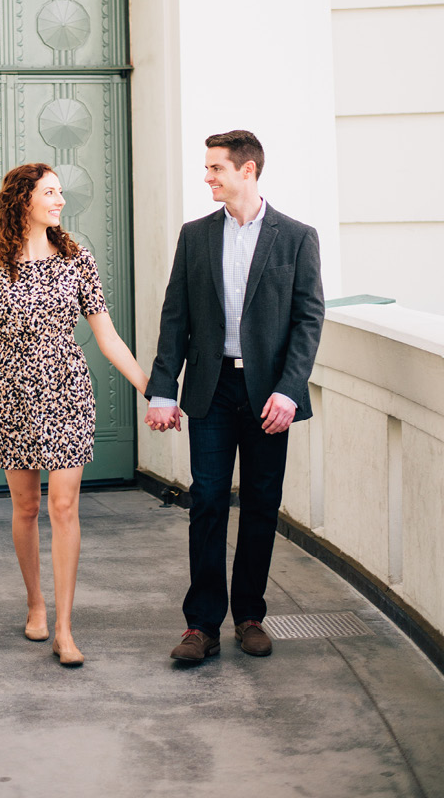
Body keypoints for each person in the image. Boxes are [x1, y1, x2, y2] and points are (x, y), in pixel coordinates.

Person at [145, 130, 324, 664]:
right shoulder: (196, 236)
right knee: (206, 500)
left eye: (215, 168)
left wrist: (291, 390)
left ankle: (249, 615)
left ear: (247, 171)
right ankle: (201, 625)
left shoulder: (296, 236)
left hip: (270, 393)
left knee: (262, 504)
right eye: (207, 168)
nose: (207, 177)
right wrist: (162, 389)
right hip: (213, 387)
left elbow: (308, 319)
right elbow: (175, 314)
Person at [0, 162, 149, 667]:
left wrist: (147, 385)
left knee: (64, 508)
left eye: (61, 192)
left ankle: (65, 630)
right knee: (25, 508)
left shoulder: (76, 259)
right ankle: (35, 602)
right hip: (12, 396)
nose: (60, 200)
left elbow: (106, 334)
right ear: (23, 199)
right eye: (50, 192)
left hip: (68, 391)